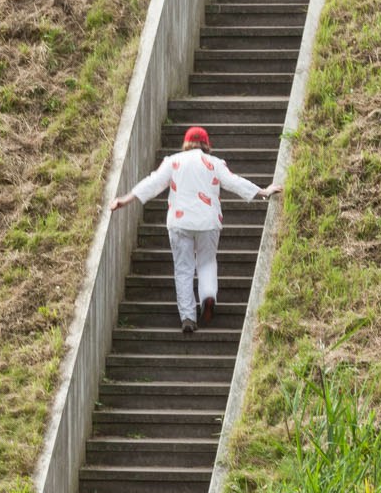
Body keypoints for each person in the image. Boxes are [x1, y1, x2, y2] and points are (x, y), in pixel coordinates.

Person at [109, 125, 282, 336]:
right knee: (207, 262)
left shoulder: (173, 162)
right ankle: (208, 295)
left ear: (186, 143)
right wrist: (263, 192)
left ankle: (188, 317)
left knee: (183, 269)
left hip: (179, 222)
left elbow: (152, 183)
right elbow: (235, 182)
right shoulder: (215, 163)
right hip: (208, 222)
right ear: (206, 144)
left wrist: (124, 200)